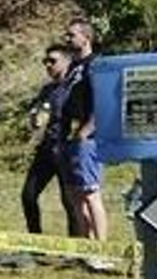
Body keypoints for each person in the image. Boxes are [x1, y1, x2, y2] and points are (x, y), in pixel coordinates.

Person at [59, 18, 109, 240]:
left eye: (72, 35)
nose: (67, 38)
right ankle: (86, 248)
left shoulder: (96, 64)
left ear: (86, 37)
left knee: (90, 194)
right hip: (68, 137)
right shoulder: (73, 67)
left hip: (87, 139)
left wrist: (87, 129)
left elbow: (103, 100)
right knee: (75, 196)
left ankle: (102, 249)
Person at [20, 45, 77, 234]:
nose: (48, 65)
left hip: (68, 149)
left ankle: (76, 245)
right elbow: (38, 117)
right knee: (28, 195)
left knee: (70, 201)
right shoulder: (47, 89)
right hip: (47, 148)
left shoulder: (74, 88)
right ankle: (35, 240)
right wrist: (35, 119)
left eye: (53, 61)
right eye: (45, 61)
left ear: (67, 61)